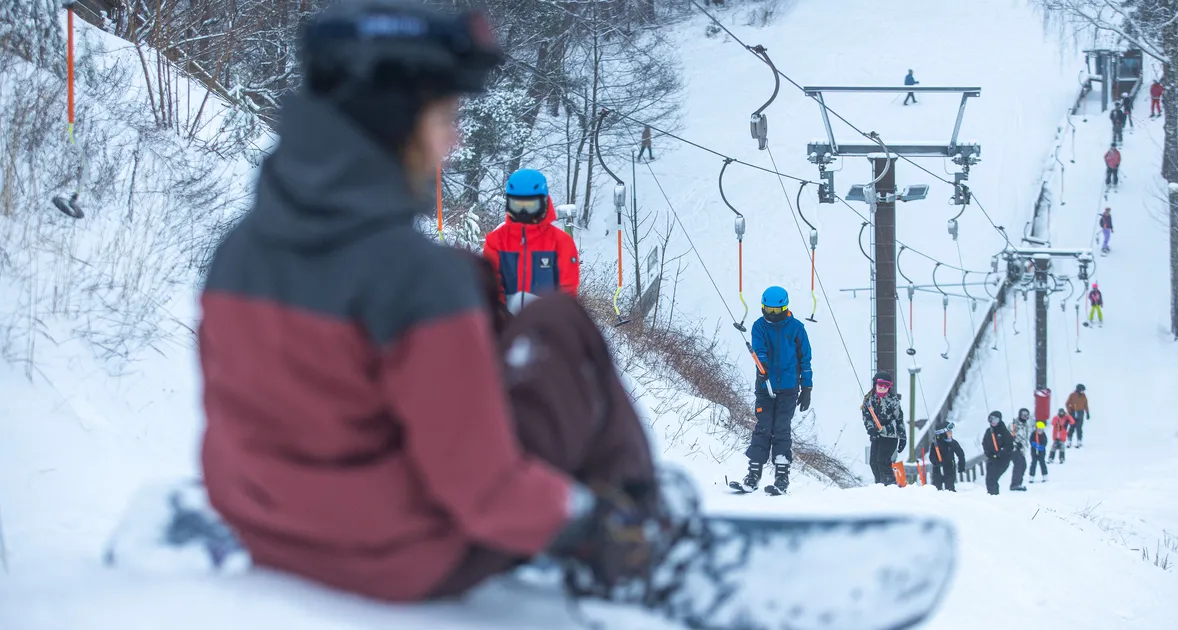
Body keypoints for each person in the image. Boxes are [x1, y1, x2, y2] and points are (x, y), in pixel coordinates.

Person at [197, 0, 660, 604]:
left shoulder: (239, 251)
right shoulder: (414, 279)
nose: (455, 138)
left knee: (471, 276)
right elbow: (481, 490)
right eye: (445, 116)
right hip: (409, 555)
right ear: (396, 122)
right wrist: (580, 528)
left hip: (271, 533)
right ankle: (635, 527)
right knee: (562, 322)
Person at [742, 286, 814, 493]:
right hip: (766, 386)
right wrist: (762, 367)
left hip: (789, 388)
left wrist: (807, 386)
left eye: (776, 311)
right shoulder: (759, 326)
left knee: (781, 428)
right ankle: (753, 473)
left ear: (785, 307)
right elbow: (759, 349)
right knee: (763, 426)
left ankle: (782, 476)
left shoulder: (797, 328)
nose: (772, 315)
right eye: (768, 310)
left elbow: (805, 359)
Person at [483, 168, 581, 314]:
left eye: (530, 206)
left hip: (547, 322)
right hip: (505, 322)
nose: (523, 213)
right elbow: (492, 285)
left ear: (544, 203)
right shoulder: (495, 241)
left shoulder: (561, 242)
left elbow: (567, 291)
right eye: (517, 206)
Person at [861, 371, 906, 486]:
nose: (882, 388)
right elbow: (866, 417)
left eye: (886, 386)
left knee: (883, 461)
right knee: (873, 462)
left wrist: (902, 437)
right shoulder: (869, 400)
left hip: (890, 435)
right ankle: (879, 483)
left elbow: (899, 418)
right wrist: (871, 429)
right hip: (876, 435)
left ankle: (890, 484)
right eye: (880, 385)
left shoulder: (893, 400)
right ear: (875, 385)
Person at [982, 411, 1014, 496]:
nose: (993, 422)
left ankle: (994, 496)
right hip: (992, 459)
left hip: (1003, 460)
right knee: (989, 479)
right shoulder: (989, 432)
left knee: (993, 478)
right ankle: (991, 495)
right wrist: (989, 454)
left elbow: (1009, 445)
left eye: (995, 419)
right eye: (991, 419)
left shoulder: (1003, 431)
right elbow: (985, 444)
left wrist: (1002, 453)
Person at [929, 423, 966, 492]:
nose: (951, 433)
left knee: (950, 489)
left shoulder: (953, 443)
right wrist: (937, 462)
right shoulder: (935, 444)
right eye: (948, 432)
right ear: (942, 433)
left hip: (950, 469)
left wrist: (961, 466)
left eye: (951, 431)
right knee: (937, 488)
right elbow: (932, 457)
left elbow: (960, 454)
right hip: (938, 470)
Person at [1009, 408, 1031, 491]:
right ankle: (1015, 484)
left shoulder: (1025, 425)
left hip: (1021, 449)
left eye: (1026, 415)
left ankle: (1018, 483)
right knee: (1019, 464)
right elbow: (1008, 436)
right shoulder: (1014, 425)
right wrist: (1015, 444)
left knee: (1023, 465)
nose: (1025, 416)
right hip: (1014, 449)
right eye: (1023, 414)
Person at [1066, 383, 1090, 448]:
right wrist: (1070, 411)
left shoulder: (1084, 396)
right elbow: (1067, 403)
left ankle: (1079, 440)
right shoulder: (1072, 395)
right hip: (1073, 413)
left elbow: (1085, 404)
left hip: (1080, 413)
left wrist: (1087, 412)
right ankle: (1069, 440)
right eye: (1082, 390)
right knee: (1072, 427)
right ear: (1078, 390)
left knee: (1079, 428)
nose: (1083, 392)